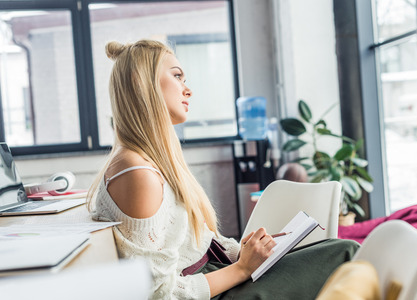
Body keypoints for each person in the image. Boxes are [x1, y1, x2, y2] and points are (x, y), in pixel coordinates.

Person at [87, 39, 359, 299]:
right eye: (177, 76)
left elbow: (193, 246)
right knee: (346, 253)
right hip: (214, 290)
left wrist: (244, 253)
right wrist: (242, 268)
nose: (188, 89)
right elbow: (160, 294)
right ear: (141, 82)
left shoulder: (146, 163)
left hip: (218, 275)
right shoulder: (138, 174)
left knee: (333, 249)